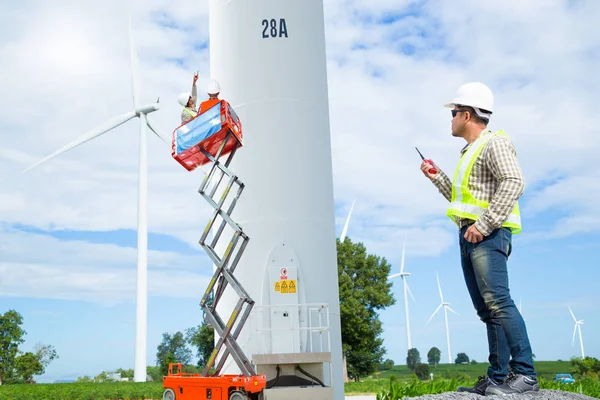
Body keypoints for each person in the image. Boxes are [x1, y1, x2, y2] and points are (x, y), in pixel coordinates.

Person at [420, 82, 538, 396]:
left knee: (499, 303)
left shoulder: (494, 143)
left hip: (488, 235)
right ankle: (497, 378)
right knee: (487, 310)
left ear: (468, 114)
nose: (451, 118)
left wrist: (484, 226)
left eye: (454, 112)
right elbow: (460, 200)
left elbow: (514, 181)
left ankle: (525, 374)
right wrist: (437, 177)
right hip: (470, 234)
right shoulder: (468, 152)